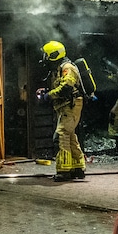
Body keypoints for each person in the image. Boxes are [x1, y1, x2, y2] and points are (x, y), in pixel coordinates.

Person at [37, 41, 86, 182]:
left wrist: (48, 96)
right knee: (69, 136)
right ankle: (78, 167)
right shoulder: (59, 68)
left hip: (71, 106)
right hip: (66, 106)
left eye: (46, 55)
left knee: (60, 136)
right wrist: (47, 91)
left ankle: (64, 170)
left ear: (53, 55)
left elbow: (66, 88)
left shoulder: (67, 67)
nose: (44, 58)